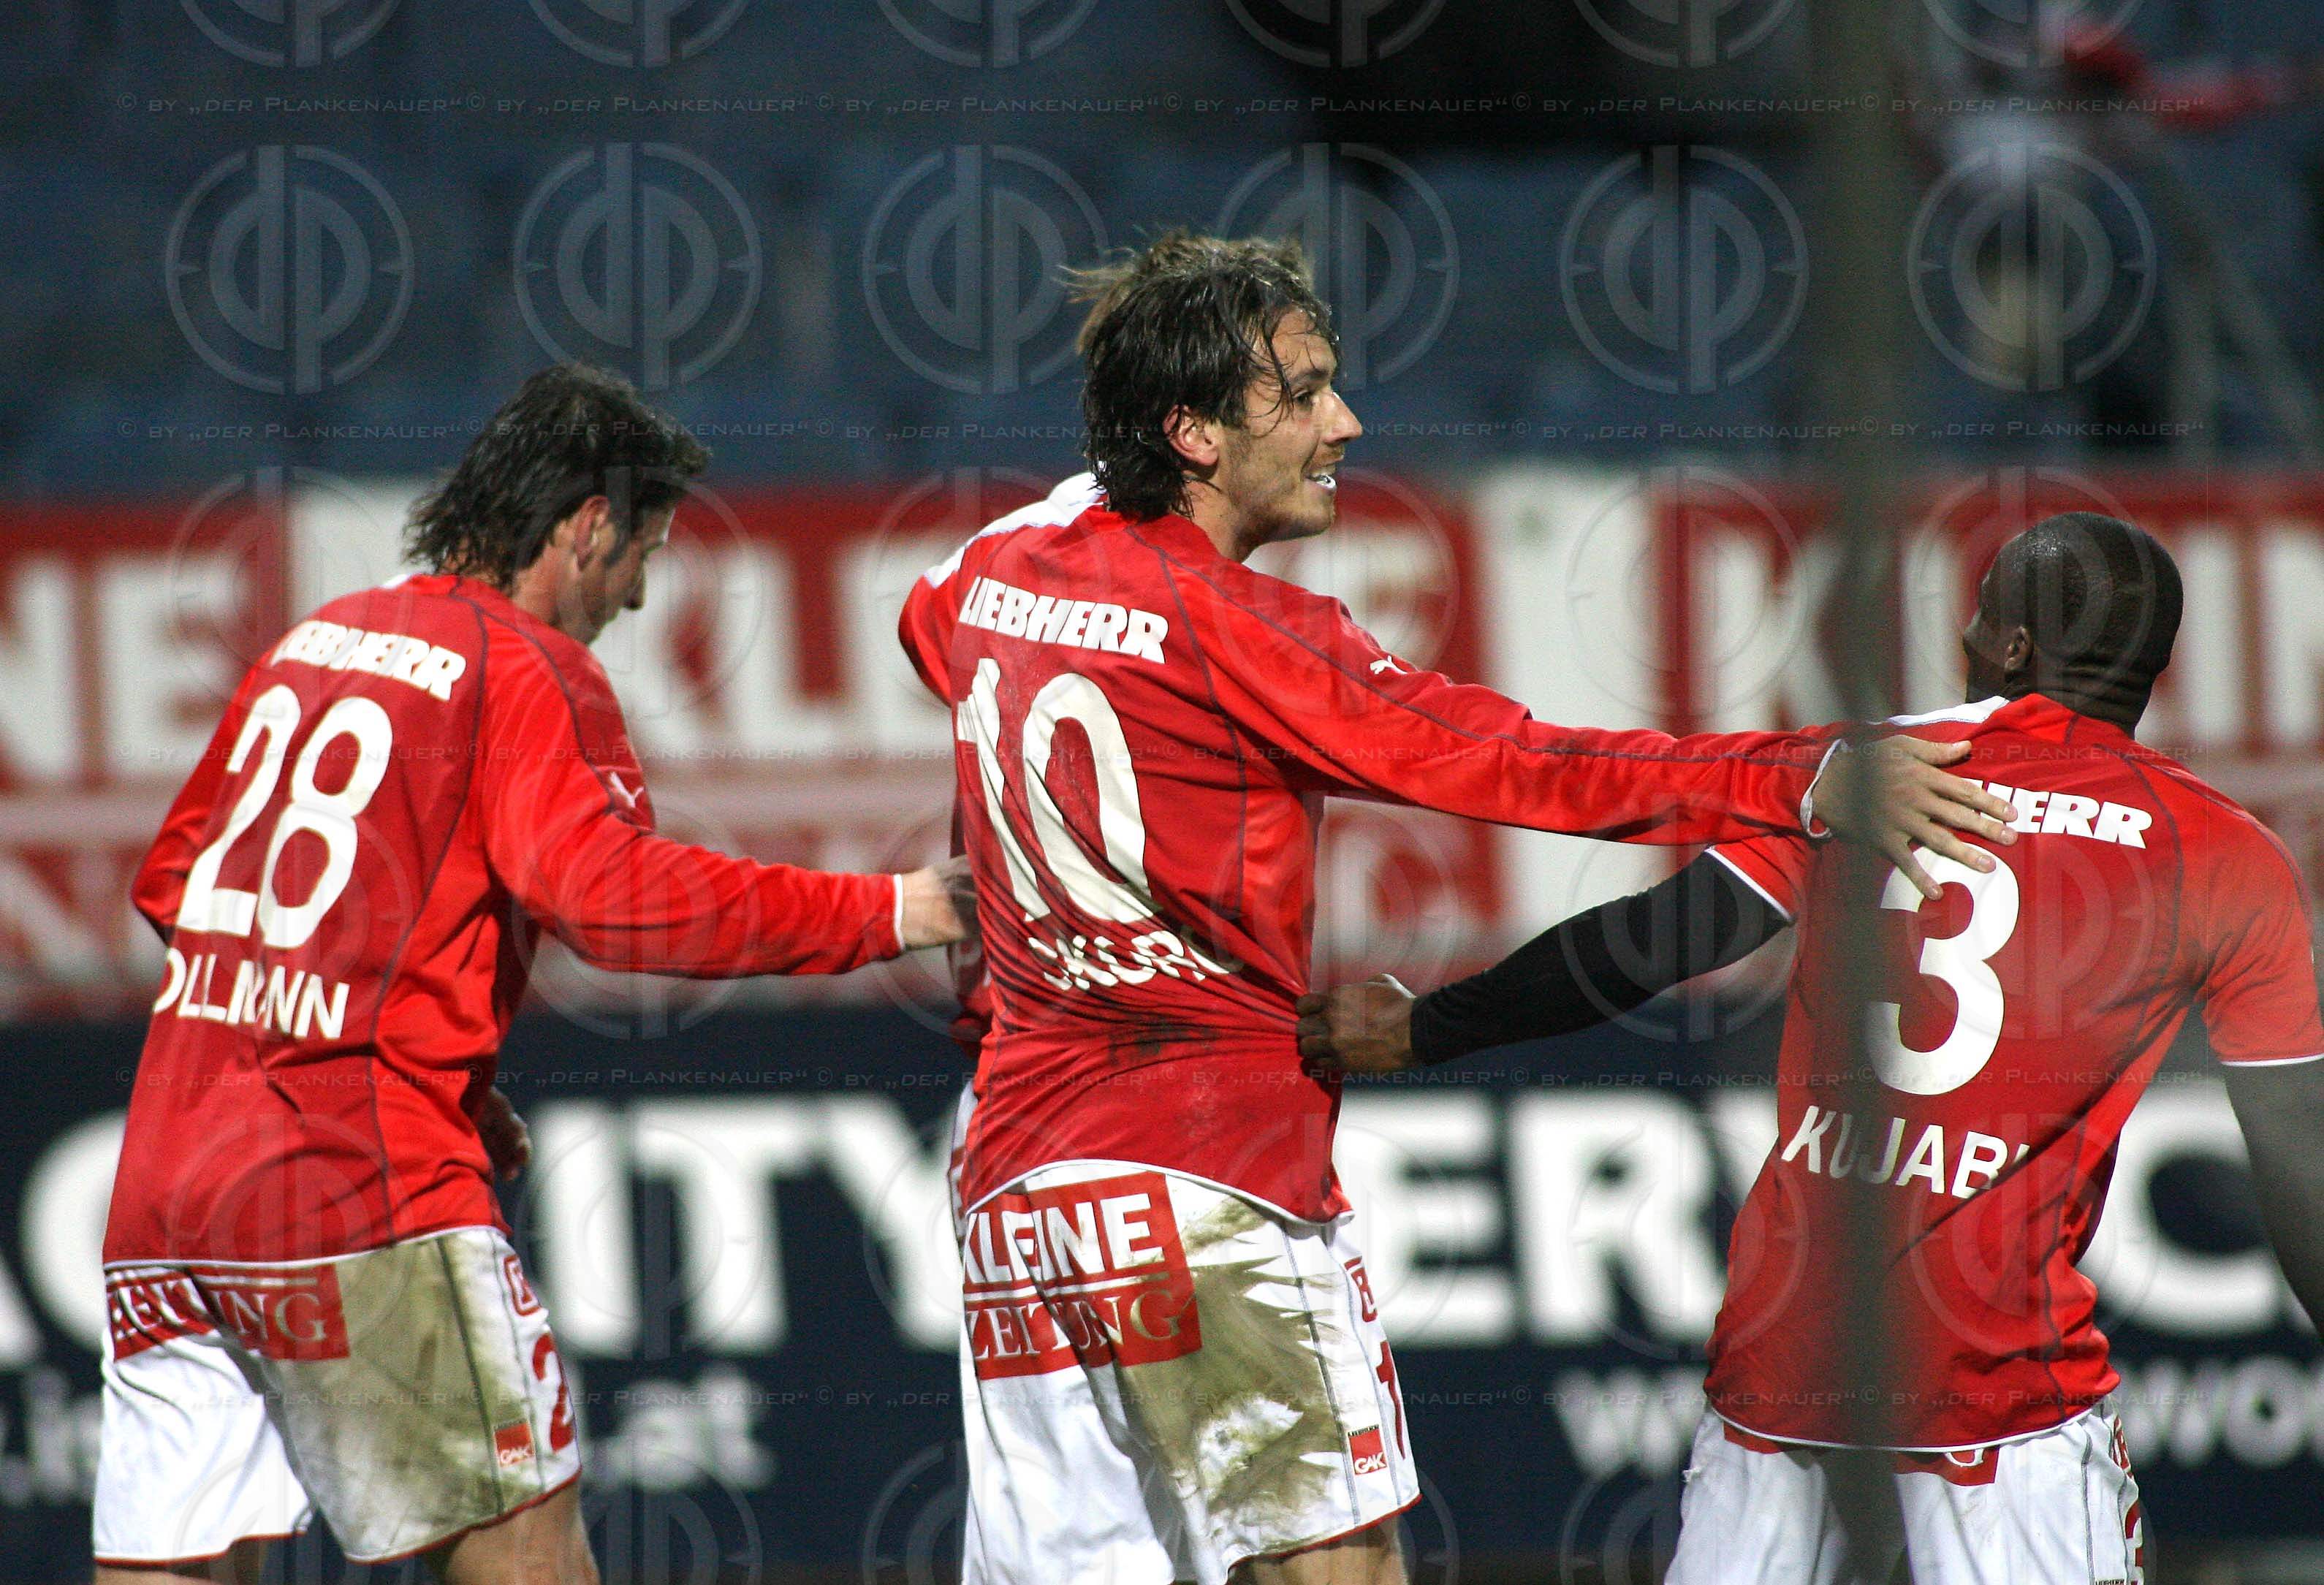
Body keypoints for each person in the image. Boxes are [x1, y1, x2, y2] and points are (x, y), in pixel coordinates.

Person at [895, 232, 2015, 1585]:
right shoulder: (1251, 637)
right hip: (1206, 1173)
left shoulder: (1000, 568)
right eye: (1301, 394)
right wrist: (1805, 775)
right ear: (1189, 431)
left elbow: (925, 626)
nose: (1343, 423)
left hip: (1019, 1198)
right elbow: (1524, 763)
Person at [1299, 513, 2324, 1584]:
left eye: (1979, 623)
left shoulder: (1875, 770)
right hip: (2007, 1403)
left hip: (1787, 1375)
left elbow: (1645, 948)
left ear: (2017, 648)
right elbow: (2299, 1164)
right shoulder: (2222, 856)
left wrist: (1426, 1025)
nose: (1965, 643)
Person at [92, 364, 969, 1585]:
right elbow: (618, 902)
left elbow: (177, 887)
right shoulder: (528, 667)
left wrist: (409, 1037)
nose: (643, 589)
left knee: (170, 1564)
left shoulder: (317, 640)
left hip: (166, 1187)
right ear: (586, 524)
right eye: (643, 551)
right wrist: (893, 908)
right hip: (356, 1180)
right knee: (524, 1546)